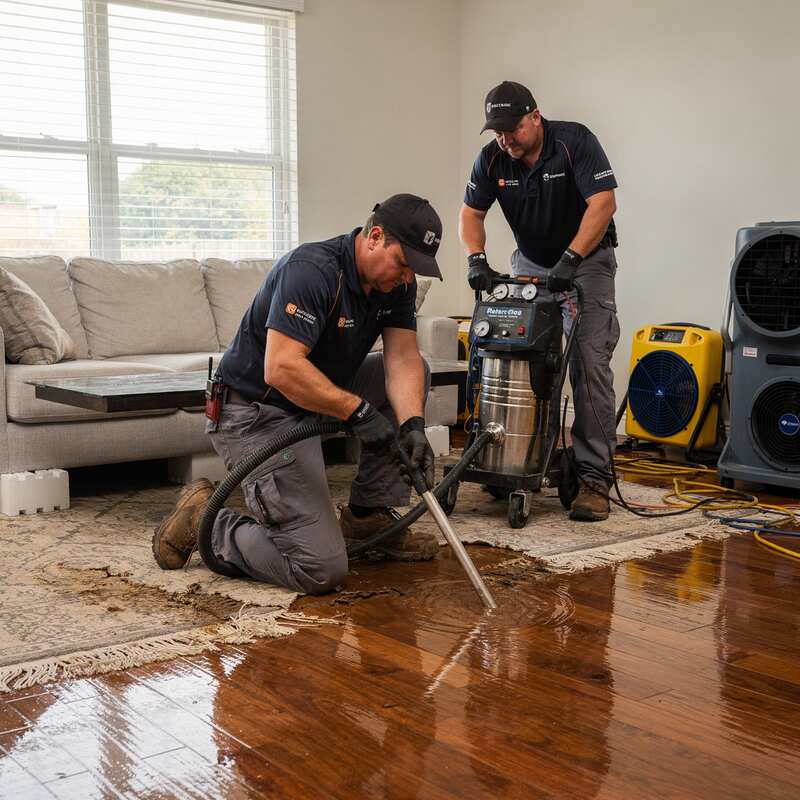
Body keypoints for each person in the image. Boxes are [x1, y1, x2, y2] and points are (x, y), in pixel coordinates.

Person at [152, 193, 443, 593]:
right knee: (319, 567)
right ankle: (208, 519)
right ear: (375, 237)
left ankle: (367, 516)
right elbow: (282, 367)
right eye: (404, 264)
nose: (408, 276)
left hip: (313, 399)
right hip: (256, 411)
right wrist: (356, 412)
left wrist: (413, 425)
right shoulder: (312, 270)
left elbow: (403, 358)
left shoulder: (395, 286)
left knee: (419, 370)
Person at [460, 80, 620, 522]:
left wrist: (571, 259)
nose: (505, 139)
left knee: (588, 365)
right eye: (497, 132)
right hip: (530, 261)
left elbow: (603, 204)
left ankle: (593, 480)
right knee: (520, 357)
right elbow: (471, 213)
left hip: (586, 261)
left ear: (535, 116)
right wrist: (476, 259)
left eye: (512, 129)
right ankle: (518, 459)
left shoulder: (574, 142)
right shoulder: (492, 158)